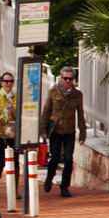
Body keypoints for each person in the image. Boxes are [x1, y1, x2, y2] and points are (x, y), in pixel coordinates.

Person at [40, 67, 86, 198]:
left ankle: (64, 187)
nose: (67, 81)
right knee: (54, 159)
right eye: (65, 78)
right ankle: (49, 178)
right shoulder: (53, 92)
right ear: (61, 78)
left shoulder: (77, 95)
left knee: (68, 160)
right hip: (55, 130)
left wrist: (83, 133)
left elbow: (81, 115)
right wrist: (42, 129)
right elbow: (46, 111)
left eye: (70, 78)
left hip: (69, 131)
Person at [0, 72, 20, 198]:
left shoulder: (17, 96)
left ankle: (15, 190)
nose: (9, 84)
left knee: (16, 162)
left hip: (13, 134)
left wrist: (14, 112)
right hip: (1, 134)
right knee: (0, 161)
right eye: (6, 81)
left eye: (11, 81)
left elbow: (22, 115)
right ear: (1, 83)